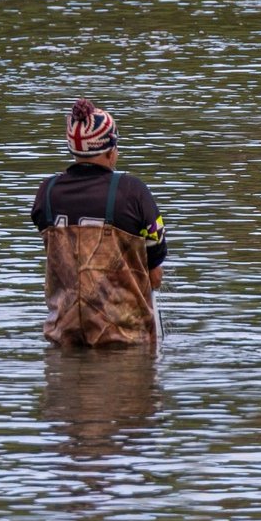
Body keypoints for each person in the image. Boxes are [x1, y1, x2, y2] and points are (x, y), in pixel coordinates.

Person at [30, 98, 167, 346]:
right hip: (124, 339)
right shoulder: (132, 192)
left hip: (64, 336)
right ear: (110, 149)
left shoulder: (46, 192)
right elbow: (155, 267)